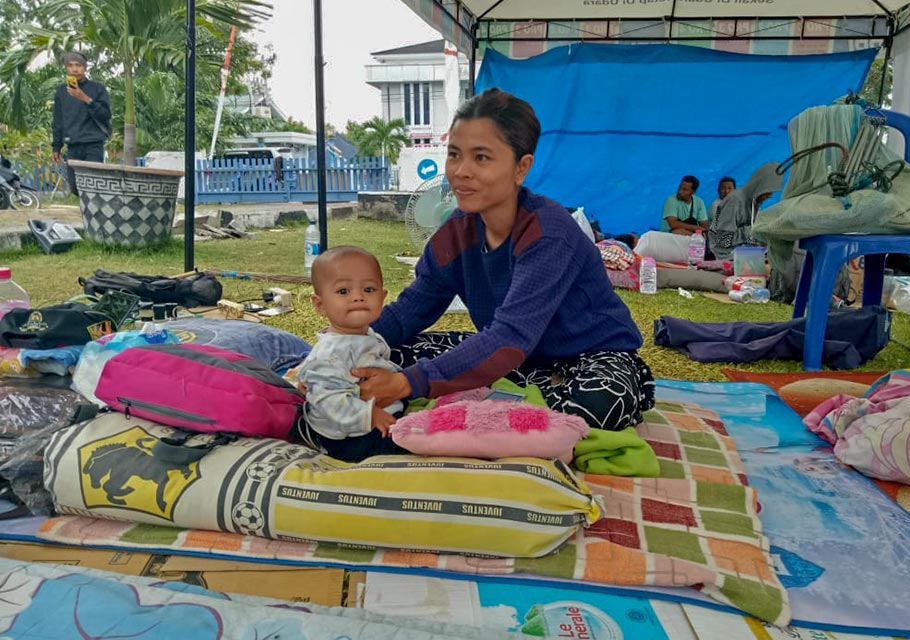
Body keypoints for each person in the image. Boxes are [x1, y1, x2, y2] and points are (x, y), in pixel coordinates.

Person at [355, 88, 655, 432]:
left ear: (521, 167)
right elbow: (411, 309)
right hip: (515, 360)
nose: (461, 171)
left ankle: (495, 401)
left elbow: (512, 335)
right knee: (385, 352)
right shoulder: (456, 232)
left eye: (481, 157)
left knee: (602, 403)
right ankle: (511, 404)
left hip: (588, 356)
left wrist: (408, 383)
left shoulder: (548, 233)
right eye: (454, 154)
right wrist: (345, 348)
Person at [296, 245, 409, 463]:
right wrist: (370, 415)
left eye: (368, 290)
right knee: (409, 446)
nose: (358, 297)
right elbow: (328, 401)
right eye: (343, 291)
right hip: (349, 435)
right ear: (320, 305)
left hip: (378, 414)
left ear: (383, 297)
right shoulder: (331, 352)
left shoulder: (368, 336)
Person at [52, 51, 112, 196]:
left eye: (78, 65)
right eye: (70, 65)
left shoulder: (98, 89)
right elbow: (58, 120)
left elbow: (105, 115)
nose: (74, 69)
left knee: (93, 185)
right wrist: (56, 147)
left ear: (85, 68)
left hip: (93, 144)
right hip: (73, 145)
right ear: (66, 68)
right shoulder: (61, 91)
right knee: (75, 188)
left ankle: (95, 216)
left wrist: (85, 98)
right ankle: (89, 213)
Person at [708, 162, 783, 262]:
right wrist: (755, 228)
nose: (769, 196)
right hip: (726, 254)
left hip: (743, 249)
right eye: (768, 191)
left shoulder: (753, 201)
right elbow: (723, 240)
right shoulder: (735, 201)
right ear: (759, 187)